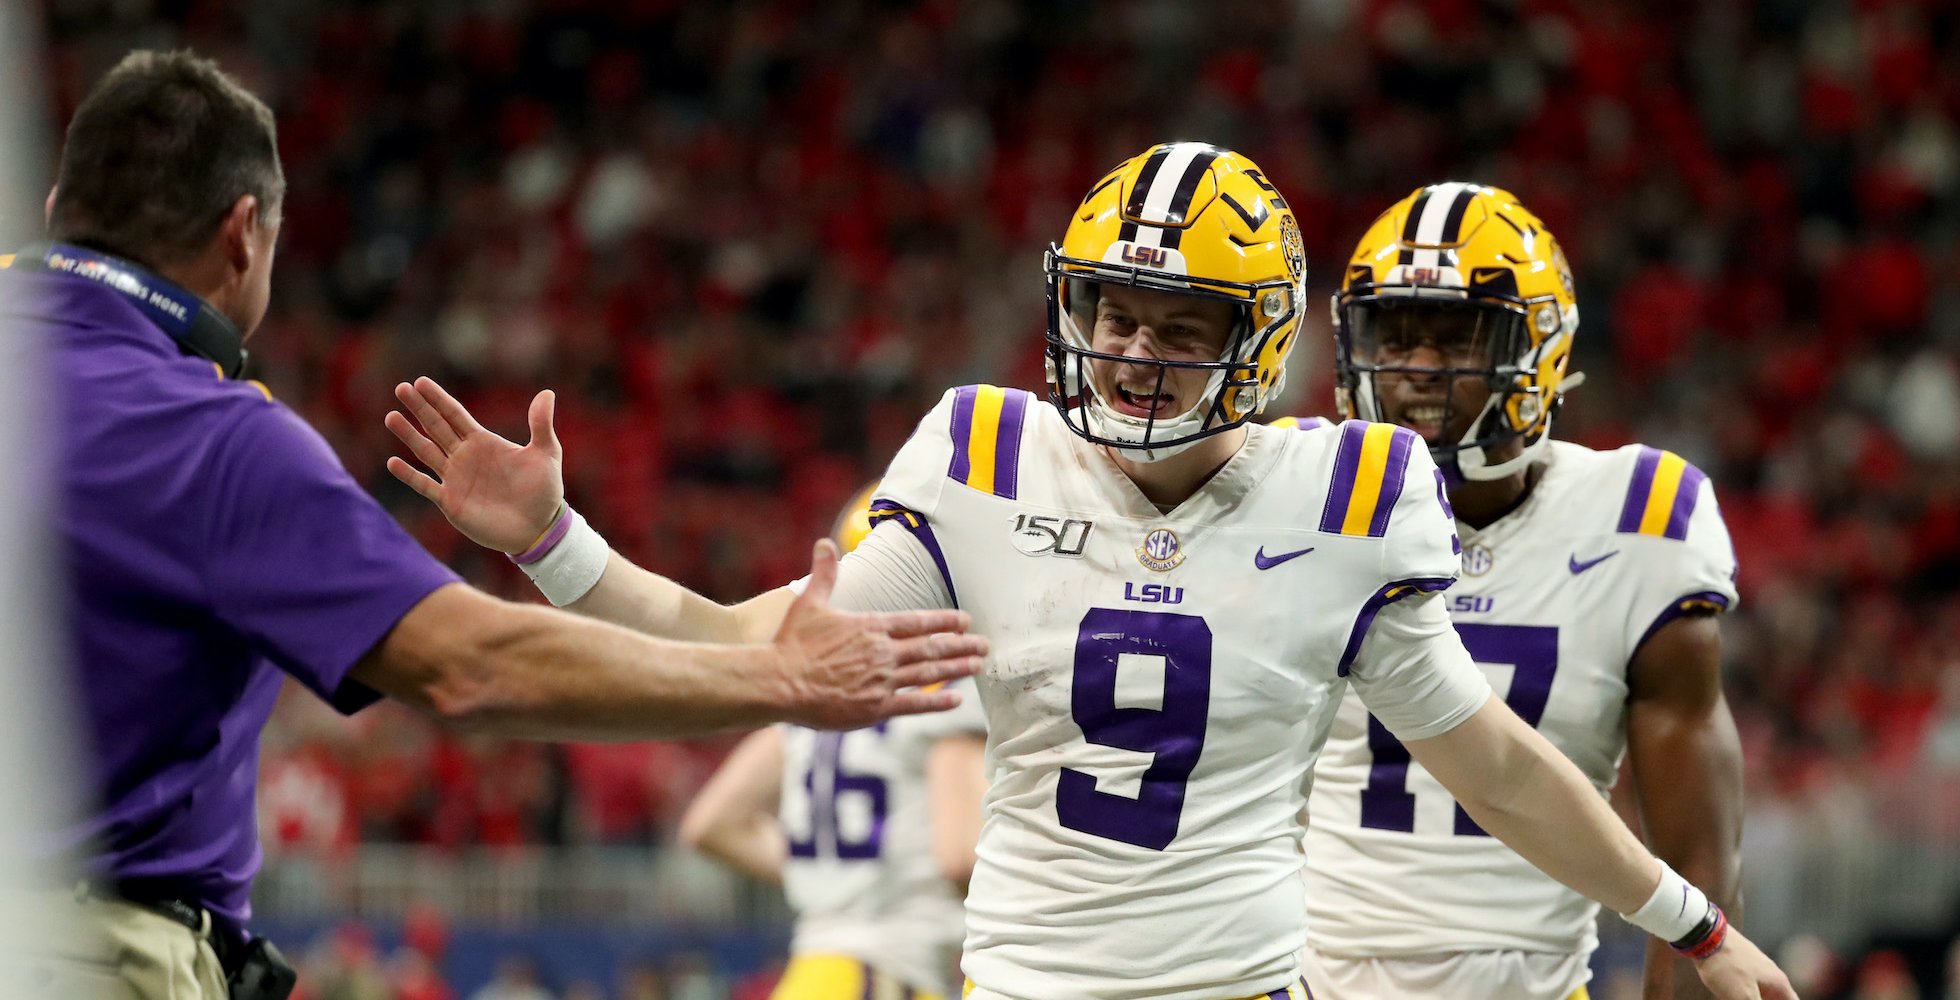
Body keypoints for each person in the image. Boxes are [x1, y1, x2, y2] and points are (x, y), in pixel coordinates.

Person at [386, 142, 1794, 999]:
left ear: (1257, 341)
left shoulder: (1344, 491)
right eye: (1110, 310)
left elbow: (1490, 761)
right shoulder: (984, 455)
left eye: (1176, 322)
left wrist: (1690, 918)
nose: (1129, 348)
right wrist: (557, 549)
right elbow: (733, 638)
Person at [0, 49, 983, 1000]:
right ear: (244, 233)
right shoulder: (203, 434)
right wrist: (774, 679)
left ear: (56, 210)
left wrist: (556, 545)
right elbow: (470, 665)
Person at [1278, 181, 1745, 1000]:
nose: (1418, 371)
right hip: (1297, 976)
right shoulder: (1292, 491)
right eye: (1395, 336)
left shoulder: (1640, 522)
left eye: (1457, 339)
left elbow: (1696, 862)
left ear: (1542, 350)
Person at [678, 482, 989, 1000]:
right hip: (890, 975)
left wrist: (833, 883)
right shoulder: (945, 685)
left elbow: (710, 823)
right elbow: (960, 856)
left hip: (814, 973)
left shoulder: (819, 691)